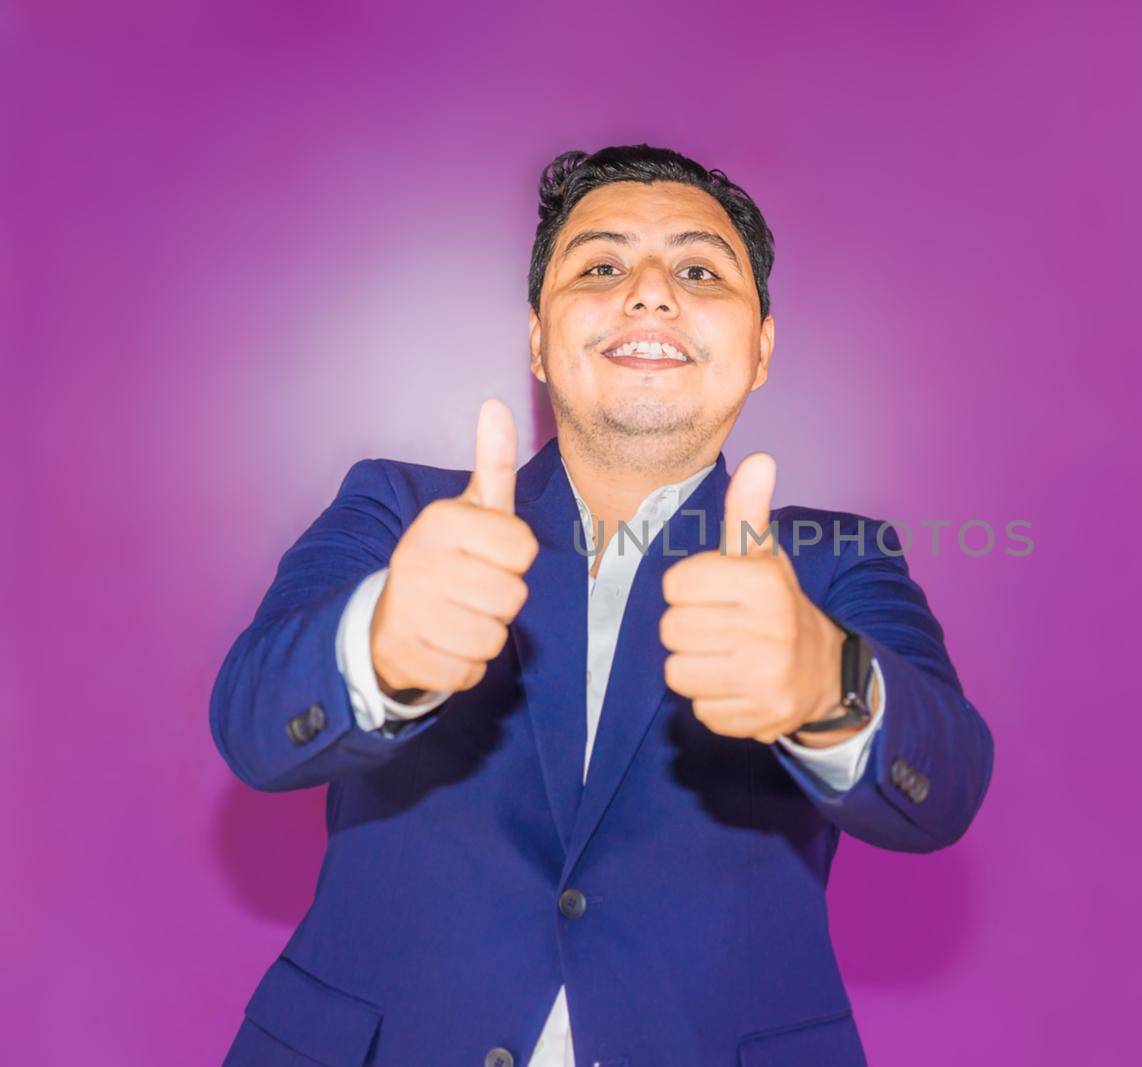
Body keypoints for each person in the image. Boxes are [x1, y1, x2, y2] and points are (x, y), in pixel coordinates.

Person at [211, 144, 995, 1067]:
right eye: (602, 266)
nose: (652, 293)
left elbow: (944, 785)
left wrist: (825, 682)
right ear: (538, 339)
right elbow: (254, 721)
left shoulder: (835, 562)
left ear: (763, 350)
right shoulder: (399, 511)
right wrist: (377, 646)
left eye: (699, 269)